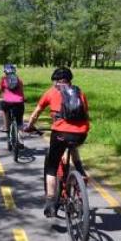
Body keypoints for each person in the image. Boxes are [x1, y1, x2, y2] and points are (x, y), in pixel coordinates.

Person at [24, 66, 90, 217]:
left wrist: (30, 126)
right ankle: (80, 171)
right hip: (81, 133)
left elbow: (36, 113)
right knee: (72, 146)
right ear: (70, 80)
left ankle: (50, 203)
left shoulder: (51, 92)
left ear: (56, 81)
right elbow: (86, 114)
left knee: (51, 167)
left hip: (60, 134)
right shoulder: (80, 92)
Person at [0, 64, 26, 148]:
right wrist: (24, 99)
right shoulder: (19, 80)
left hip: (7, 102)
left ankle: (6, 127)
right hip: (19, 103)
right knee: (20, 121)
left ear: (5, 72)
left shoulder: (3, 80)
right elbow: (22, 93)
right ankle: (21, 141)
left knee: (4, 110)